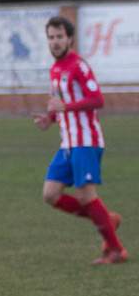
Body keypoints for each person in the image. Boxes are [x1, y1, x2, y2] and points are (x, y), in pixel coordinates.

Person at [33, 15, 126, 264]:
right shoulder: (55, 69)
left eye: (60, 37)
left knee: (86, 196)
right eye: (51, 37)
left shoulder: (79, 66)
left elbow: (98, 100)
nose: (55, 42)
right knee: (50, 195)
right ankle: (107, 219)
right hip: (67, 144)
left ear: (70, 38)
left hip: (86, 141)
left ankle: (115, 250)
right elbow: (60, 105)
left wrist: (65, 107)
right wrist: (50, 118)